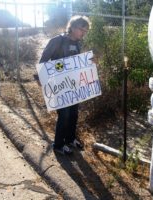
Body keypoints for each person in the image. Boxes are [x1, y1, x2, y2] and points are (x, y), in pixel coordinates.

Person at [39, 16, 91, 155]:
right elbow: (43, 62)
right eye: (82, 30)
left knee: (74, 113)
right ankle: (58, 145)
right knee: (64, 115)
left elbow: (76, 64)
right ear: (73, 27)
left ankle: (70, 139)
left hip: (73, 85)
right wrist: (47, 81)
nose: (83, 33)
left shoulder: (78, 44)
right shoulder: (57, 41)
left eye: (85, 31)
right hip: (59, 85)